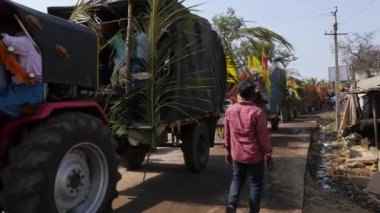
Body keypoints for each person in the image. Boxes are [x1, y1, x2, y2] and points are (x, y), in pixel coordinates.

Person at [224, 80, 273, 213]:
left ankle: (232, 204)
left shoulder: (230, 110)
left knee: (237, 179)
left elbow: (227, 134)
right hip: (255, 157)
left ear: (239, 94)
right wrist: (268, 153)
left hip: (237, 155)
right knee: (256, 184)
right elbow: (263, 137)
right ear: (253, 96)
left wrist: (228, 150)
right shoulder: (257, 113)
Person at [0, 29, 43, 117]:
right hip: (21, 86)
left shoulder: (25, 41)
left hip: (30, 89)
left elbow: (7, 40)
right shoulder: (33, 44)